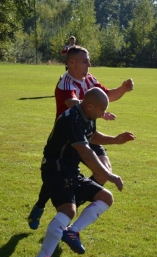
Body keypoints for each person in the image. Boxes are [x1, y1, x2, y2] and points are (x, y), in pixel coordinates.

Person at [28, 46, 134, 230]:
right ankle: (40, 205)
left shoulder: (90, 78)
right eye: (85, 61)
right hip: (68, 138)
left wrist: (123, 89)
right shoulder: (65, 82)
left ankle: (71, 203)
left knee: (103, 171)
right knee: (57, 174)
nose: (89, 64)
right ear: (71, 62)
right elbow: (75, 104)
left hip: (88, 133)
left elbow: (106, 96)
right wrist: (99, 112)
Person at [34, 88, 136, 257]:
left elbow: (91, 136)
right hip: (56, 169)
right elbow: (85, 151)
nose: (104, 113)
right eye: (102, 110)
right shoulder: (71, 119)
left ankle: (72, 231)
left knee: (105, 197)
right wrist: (109, 175)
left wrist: (115, 140)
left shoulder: (87, 116)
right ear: (90, 106)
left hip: (71, 170)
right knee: (68, 210)